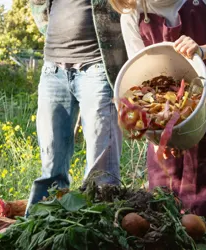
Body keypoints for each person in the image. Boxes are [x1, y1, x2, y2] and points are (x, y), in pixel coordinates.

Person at [110, 0, 206, 242]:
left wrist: (203, 50)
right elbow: (139, 69)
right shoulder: (133, 11)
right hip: (162, 119)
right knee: (165, 190)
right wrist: (153, 128)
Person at [24, 0, 128, 217]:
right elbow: (39, 8)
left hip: (97, 67)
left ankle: (99, 227)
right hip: (53, 69)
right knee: (52, 160)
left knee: (102, 168)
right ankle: (44, 224)